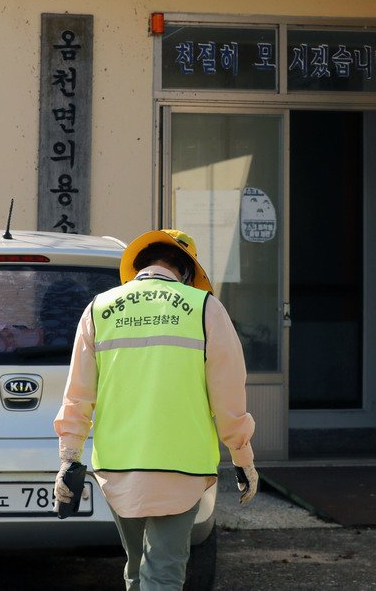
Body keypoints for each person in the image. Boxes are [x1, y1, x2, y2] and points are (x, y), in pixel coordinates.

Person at [54, 229, 258, 591]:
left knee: (137, 570)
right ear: (187, 272)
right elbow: (228, 397)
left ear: (138, 265)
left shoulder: (99, 308)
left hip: (117, 464)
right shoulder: (205, 308)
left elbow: (78, 396)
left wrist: (69, 458)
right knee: (162, 573)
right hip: (182, 466)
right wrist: (242, 457)